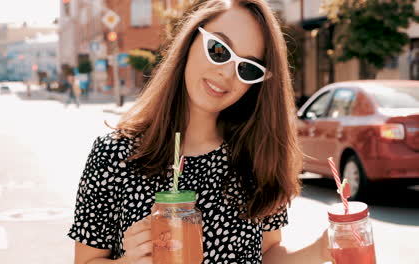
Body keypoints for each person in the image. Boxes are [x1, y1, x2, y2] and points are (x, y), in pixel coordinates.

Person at [68, 0, 331, 263]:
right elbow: (86, 259)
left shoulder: (256, 157)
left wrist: (320, 251)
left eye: (247, 68)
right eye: (218, 50)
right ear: (191, 41)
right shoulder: (116, 154)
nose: (227, 73)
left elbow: (268, 254)